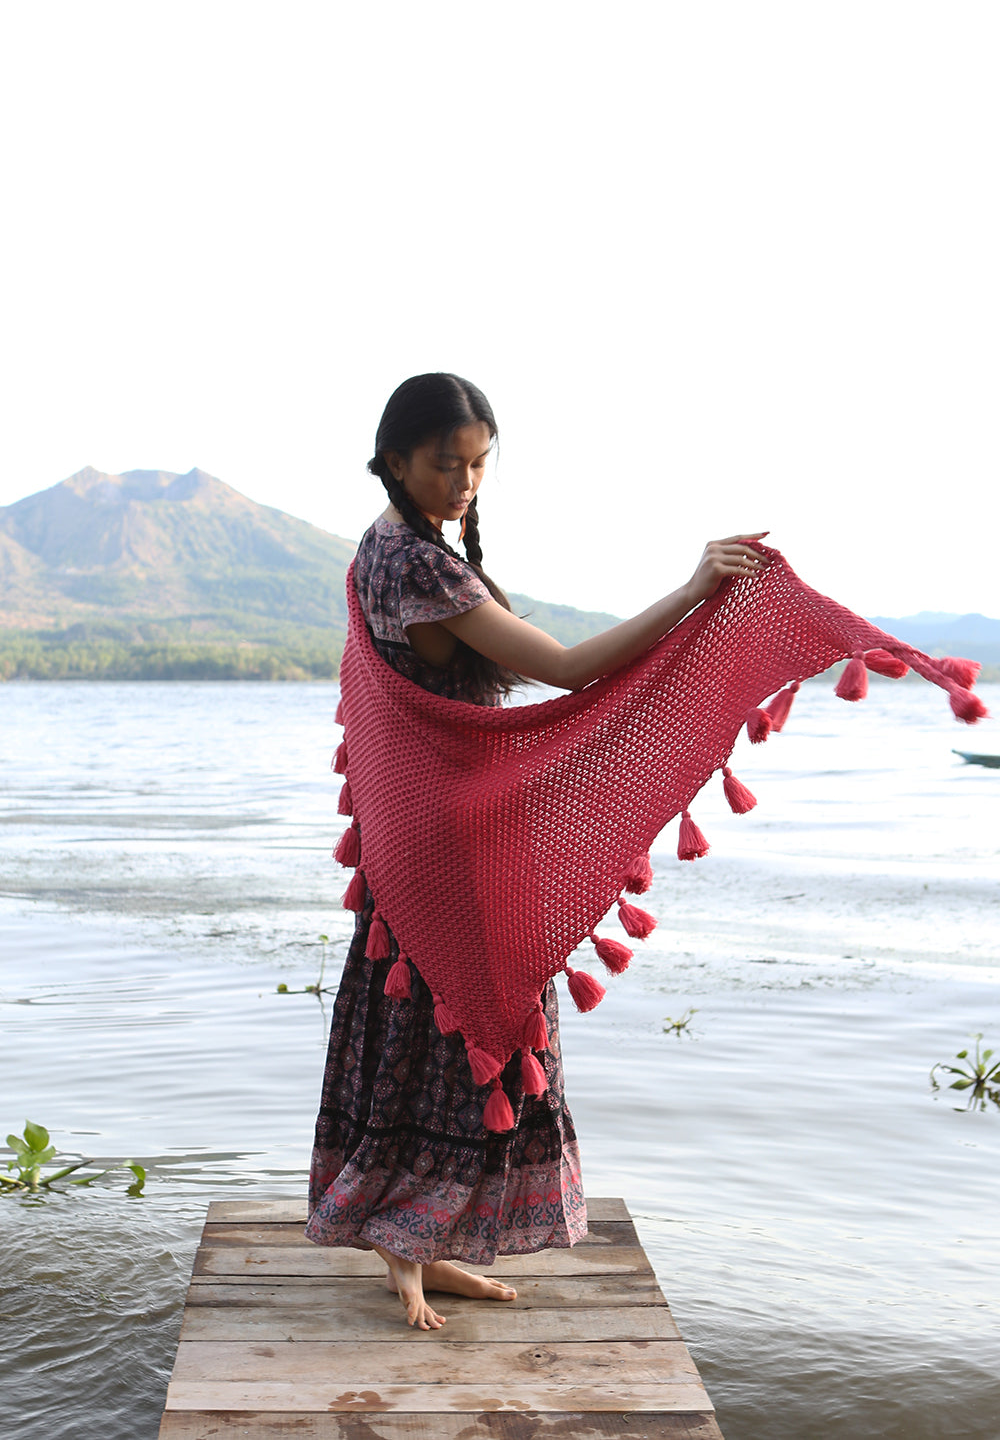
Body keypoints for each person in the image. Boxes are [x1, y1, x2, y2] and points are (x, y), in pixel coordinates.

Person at [306, 372, 767, 1330]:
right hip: (449, 848)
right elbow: (561, 669)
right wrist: (693, 592)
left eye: (478, 464)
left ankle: (421, 1244)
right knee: (470, 1034)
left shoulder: (382, 548)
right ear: (396, 460)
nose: (466, 480)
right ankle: (409, 1243)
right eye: (447, 462)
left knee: (425, 1039)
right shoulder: (417, 563)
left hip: (420, 843)